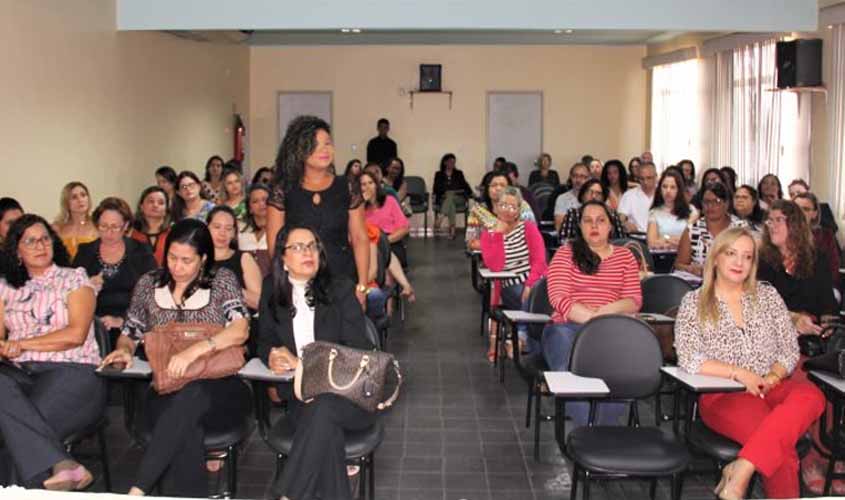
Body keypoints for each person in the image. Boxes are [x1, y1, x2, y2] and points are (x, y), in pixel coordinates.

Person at [99, 219, 251, 497]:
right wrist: (124, 349)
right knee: (184, 426)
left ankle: (139, 487)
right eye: (172, 257)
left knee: (191, 397)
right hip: (168, 385)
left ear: (203, 258)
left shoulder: (221, 281)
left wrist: (195, 349)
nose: (177, 266)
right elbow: (130, 331)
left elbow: (240, 330)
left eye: (186, 260)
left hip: (218, 387)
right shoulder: (149, 284)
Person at [674, 227, 823, 499]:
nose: (739, 263)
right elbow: (689, 357)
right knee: (781, 453)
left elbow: (789, 348)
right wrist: (740, 374)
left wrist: (774, 376)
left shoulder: (767, 296)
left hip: (771, 384)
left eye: (747, 256)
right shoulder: (694, 302)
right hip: (725, 394)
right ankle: (743, 471)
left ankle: (740, 469)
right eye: (731, 254)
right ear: (716, 257)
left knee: (812, 395)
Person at [257, 225, 375, 500]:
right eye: (297, 247)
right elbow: (263, 341)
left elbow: (358, 353)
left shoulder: (341, 289)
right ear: (282, 259)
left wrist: (301, 364)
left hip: (351, 397)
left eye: (312, 246)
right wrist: (272, 355)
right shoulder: (272, 291)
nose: (307, 252)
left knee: (323, 406)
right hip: (302, 400)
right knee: (325, 432)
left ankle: (287, 495)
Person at [0, 214, 104, 491]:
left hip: (73, 374)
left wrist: (21, 345)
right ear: (16, 250)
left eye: (45, 238)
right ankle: (64, 465)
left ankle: (56, 468)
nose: (40, 245)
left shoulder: (75, 278)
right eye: (30, 241)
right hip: (21, 376)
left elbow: (75, 335)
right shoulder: (5, 286)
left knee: (16, 440)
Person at [542, 201, 642, 426]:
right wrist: (594, 320)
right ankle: (589, 429)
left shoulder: (625, 257)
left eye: (601, 220)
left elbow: (633, 300)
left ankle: (601, 432)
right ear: (580, 226)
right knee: (569, 364)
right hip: (567, 327)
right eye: (588, 220)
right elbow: (559, 298)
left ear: (610, 227)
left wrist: (606, 314)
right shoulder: (565, 254)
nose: (594, 225)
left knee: (620, 370)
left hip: (612, 329)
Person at [266, 115, 369, 305]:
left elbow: (360, 238)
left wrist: (362, 286)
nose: (325, 150)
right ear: (299, 150)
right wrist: (284, 281)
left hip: (341, 277)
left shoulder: (347, 186)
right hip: (298, 280)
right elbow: (275, 242)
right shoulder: (283, 189)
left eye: (328, 143)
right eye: (315, 144)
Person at [480, 186, 547, 361]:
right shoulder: (489, 235)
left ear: (519, 210)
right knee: (524, 297)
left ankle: (522, 338)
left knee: (535, 297)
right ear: (495, 207)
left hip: (536, 281)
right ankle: (524, 341)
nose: (507, 210)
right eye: (503, 205)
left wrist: (530, 284)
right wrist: (499, 235)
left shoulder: (528, 228)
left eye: (512, 206)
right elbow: (495, 266)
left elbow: (540, 260)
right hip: (509, 284)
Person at [73, 197, 157, 336]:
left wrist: (122, 320)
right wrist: (86, 287)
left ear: (125, 226)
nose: (109, 233)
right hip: (92, 326)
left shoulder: (141, 251)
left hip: (133, 324)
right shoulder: (85, 252)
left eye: (115, 227)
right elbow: (70, 295)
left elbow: (153, 295)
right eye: (103, 226)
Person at [757, 199, 837, 335]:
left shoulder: (816, 258)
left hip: (811, 335)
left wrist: (827, 327)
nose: (772, 226)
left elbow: (827, 304)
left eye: (778, 220)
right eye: (770, 220)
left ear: (794, 224)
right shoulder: (762, 260)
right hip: (774, 334)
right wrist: (794, 319)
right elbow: (760, 306)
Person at [676, 182, 747, 276]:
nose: (710, 206)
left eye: (716, 201)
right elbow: (679, 264)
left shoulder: (740, 228)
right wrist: (690, 269)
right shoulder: (693, 230)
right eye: (706, 202)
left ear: (726, 204)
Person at [205, 206, 262, 310]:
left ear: (233, 233)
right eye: (217, 227)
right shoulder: (197, 259)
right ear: (207, 228)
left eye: (228, 229)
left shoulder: (244, 258)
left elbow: (259, 303)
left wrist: (229, 288)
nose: (222, 233)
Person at [466, 172, 535, 249]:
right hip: (490, 255)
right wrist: (495, 246)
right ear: (487, 189)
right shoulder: (477, 210)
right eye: (493, 185)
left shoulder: (522, 206)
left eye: (502, 185)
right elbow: (471, 242)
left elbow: (532, 234)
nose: (498, 188)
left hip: (521, 253)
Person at [361, 171, 410, 267]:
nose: (368, 187)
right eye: (363, 184)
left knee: (385, 263)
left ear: (376, 185)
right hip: (368, 244)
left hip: (390, 241)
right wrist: (361, 204)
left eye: (371, 183)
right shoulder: (358, 207)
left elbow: (404, 228)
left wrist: (384, 241)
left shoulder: (390, 201)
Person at [794, 192, 840, 287]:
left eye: (805, 209)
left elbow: (833, 267)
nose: (800, 213)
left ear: (814, 214)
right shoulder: (781, 234)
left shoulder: (826, 235)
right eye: (796, 209)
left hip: (822, 285)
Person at [558, 179, 626, 241]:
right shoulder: (573, 213)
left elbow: (622, 240)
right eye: (590, 192)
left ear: (603, 198)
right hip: (579, 251)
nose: (593, 196)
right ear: (582, 195)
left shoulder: (612, 214)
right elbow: (564, 239)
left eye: (598, 193)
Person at [647, 169, 697, 250]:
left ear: (679, 190)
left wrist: (664, 238)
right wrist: (670, 239)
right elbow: (651, 243)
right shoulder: (654, 213)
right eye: (664, 186)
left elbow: (691, 239)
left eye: (673, 187)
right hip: (663, 257)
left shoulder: (691, 210)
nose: (668, 191)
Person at [53, 182, 98, 260]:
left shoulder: (97, 225)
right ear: (66, 202)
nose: (80, 200)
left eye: (83, 195)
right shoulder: (57, 228)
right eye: (74, 197)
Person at [432, 153, 473, 240]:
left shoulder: (459, 173)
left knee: (450, 195)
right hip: (444, 198)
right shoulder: (439, 174)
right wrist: (446, 191)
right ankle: (452, 231)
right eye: (450, 162)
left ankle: (441, 217)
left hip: (459, 197)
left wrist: (471, 194)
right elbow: (435, 189)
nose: (452, 164)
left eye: (454, 162)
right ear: (445, 162)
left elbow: (465, 185)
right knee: (451, 205)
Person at [129, 187, 171, 266]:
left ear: (166, 209)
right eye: (151, 201)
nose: (155, 205)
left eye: (161, 203)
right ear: (141, 206)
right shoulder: (130, 232)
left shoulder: (173, 232)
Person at [239, 183, 272, 277]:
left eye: (265, 200)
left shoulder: (281, 229)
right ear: (250, 208)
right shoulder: (241, 232)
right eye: (255, 201)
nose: (262, 204)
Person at [617, 161, 658, 233]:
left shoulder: (663, 194)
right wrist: (624, 224)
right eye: (642, 179)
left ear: (656, 177)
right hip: (636, 238)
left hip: (660, 239)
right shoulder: (629, 195)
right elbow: (620, 218)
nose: (645, 182)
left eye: (649, 178)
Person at [552, 163, 590, 230]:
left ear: (588, 179)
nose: (578, 180)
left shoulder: (594, 197)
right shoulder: (562, 198)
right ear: (570, 177)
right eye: (575, 176)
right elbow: (559, 227)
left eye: (582, 176)